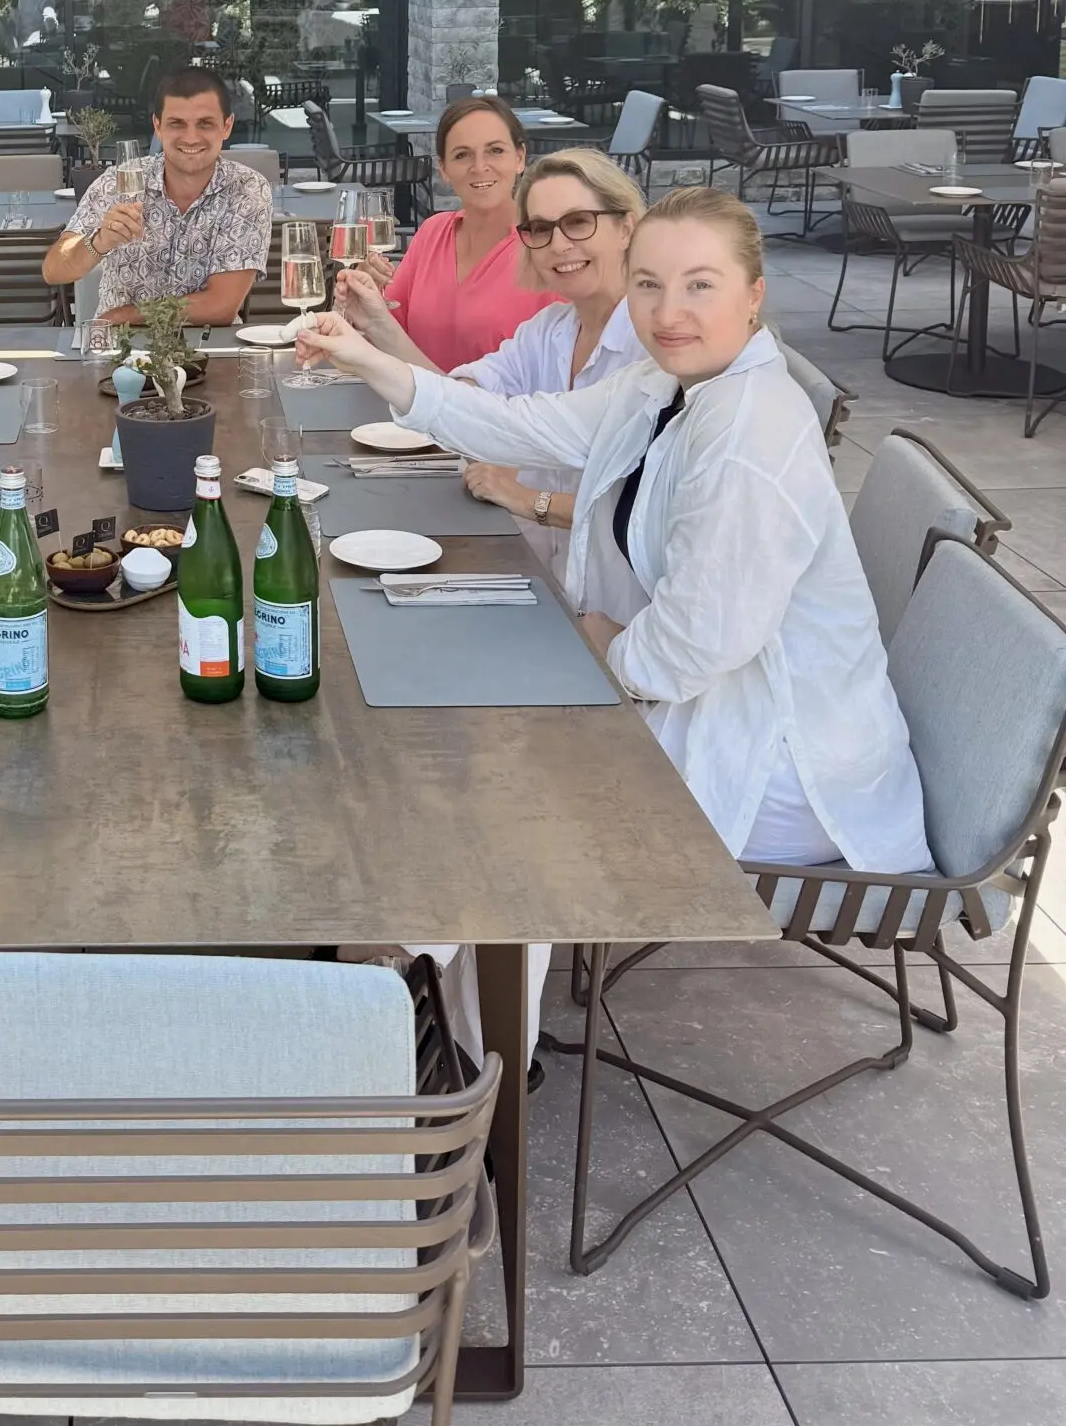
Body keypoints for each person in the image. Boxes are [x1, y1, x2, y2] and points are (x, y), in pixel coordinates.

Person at [301, 184, 932, 880]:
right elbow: (516, 425)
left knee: (485, 774)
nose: (669, 312)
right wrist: (364, 360)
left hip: (776, 766)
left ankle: (416, 952)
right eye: (649, 285)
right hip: (704, 706)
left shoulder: (752, 434)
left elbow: (695, 646)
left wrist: (606, 648)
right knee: (454, 695)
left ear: (753, 294)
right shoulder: (660, 385)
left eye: (700, 285)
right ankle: (434, 950)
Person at [336, 148, 648, 578]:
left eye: (578, 222)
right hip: (539, 574)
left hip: (618, 608)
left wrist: (530, 501)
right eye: (540, 229)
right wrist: (376, 329)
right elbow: (463, 403)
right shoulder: (550, 328)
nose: (559, 244)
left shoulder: (656, 345)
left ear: (626, 227)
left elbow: (653, 510)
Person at [42, 67, 272, 327]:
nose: (191, 137)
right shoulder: (118, 181)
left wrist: (123, 315)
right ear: (158, 126)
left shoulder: (246, 188)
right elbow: (54, 271)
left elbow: (221, 306)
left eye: (205, 123)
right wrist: (100, 241)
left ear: (226, 126)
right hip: (121, 350)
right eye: (177, 123)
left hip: (208, 349)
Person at [359, 95, 559, 371]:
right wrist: (366, 292)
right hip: (413, 410)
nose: (479, 167)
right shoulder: (433, 232)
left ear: (520, 158)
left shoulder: (548, 249)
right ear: (444, 168)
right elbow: (388, 326)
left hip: (506, 413)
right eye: (462, 155)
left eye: (496, 150)